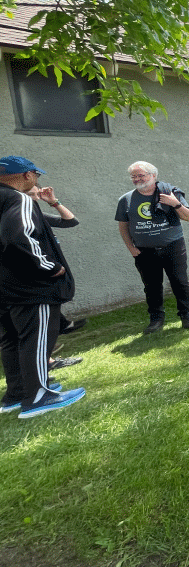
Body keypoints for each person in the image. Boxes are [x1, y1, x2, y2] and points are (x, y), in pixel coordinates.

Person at [0, 156, 86, 418]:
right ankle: (39, 395)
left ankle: (17, 393)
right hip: (31, 286)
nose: (37, 181)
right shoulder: (19, 199)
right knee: (35, 339)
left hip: (6, 287)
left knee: (12, 339)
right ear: (26, 175)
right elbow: (20, 237)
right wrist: (49, 266)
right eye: (36, 175)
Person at [115, 161, 189, 334]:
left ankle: (187, 317)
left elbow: (188, 217)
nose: (138, 179)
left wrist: (174, 203)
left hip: (173, 246)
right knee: (151, 286)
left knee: (180, 282)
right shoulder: (126, 199)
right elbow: (123, 226)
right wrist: (131, 248)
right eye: (134, 176)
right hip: (144, 251)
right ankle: (156, 320)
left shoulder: (170, 193)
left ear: (153, 175)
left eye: (141, 175)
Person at [26, 186, 84, 371]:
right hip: (37, 276)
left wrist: (53, 201)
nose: (35, 199)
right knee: (38, 324)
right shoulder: (20, 218)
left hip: (49, 275)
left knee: (47, 319)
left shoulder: (38, 215)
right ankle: (45, 363)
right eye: (31, 195)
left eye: (36, 195)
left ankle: (47, 360)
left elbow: (70, 221)